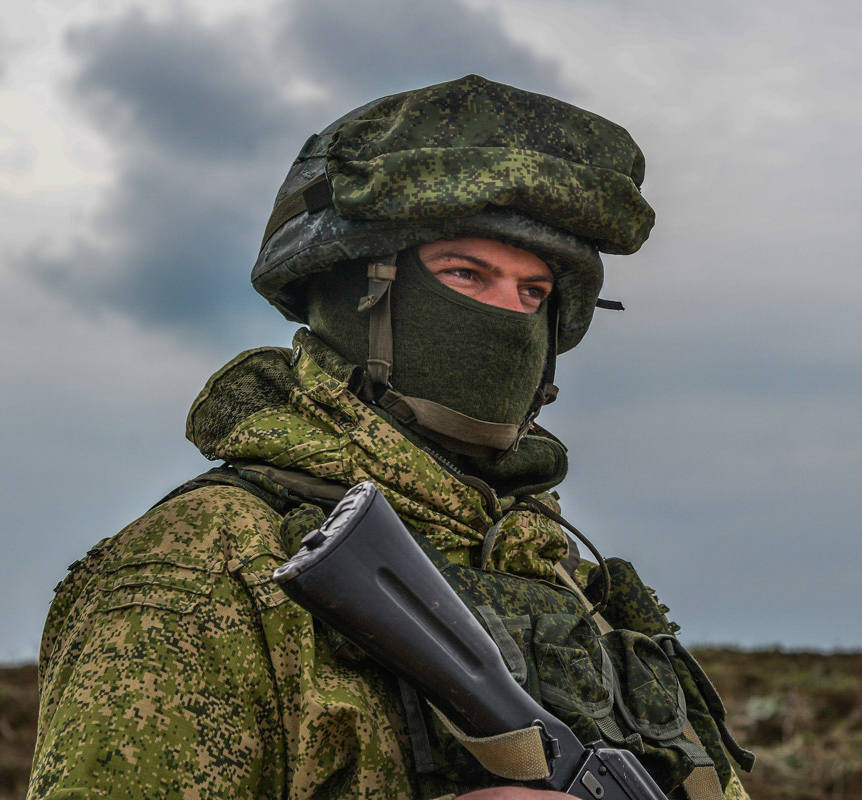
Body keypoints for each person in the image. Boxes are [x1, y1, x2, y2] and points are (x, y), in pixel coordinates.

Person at [28, 75, 753, 800]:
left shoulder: (558, 571)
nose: (509, 318)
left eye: (534, 293)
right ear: (358, 292)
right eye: (466, 274)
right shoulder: (206, 563)